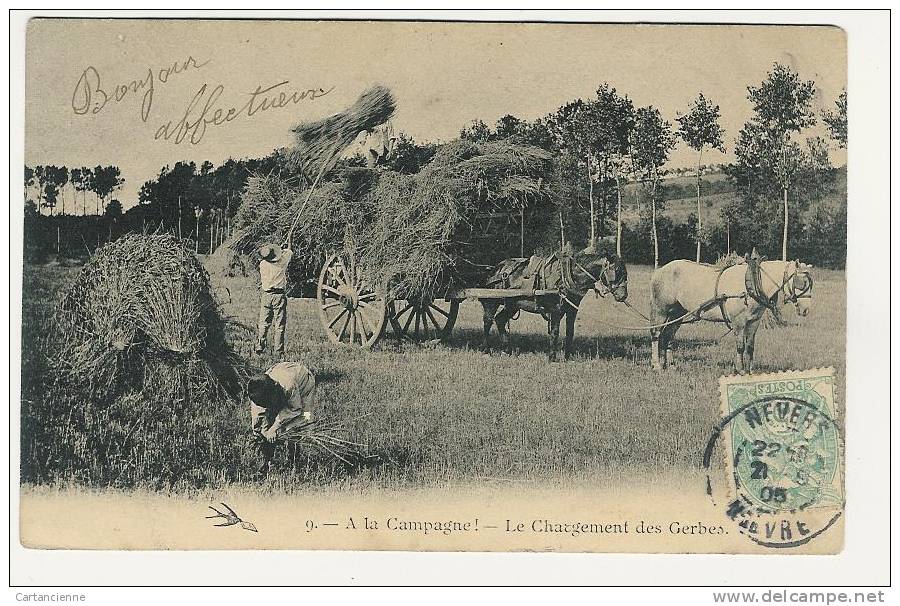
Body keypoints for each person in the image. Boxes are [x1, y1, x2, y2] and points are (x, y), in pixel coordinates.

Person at [247, 361, 318, 473]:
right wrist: (264, 434)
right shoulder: (258, 393)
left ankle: (295, 459)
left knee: (304, 420)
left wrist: (275, 427)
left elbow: (295, 408)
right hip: (282, 373)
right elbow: (258, 421)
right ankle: (268, 461)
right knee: (270, 422)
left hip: (303, 382)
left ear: (276, 388)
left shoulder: (288, 385)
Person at [255, 243, 293, 357]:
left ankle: (259, 346)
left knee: (264, 323)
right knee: (279, 324)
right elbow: (289, 252)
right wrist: (282, 249)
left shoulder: (262, 264)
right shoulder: (282, 263)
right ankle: (278, 350)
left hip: (266, 295)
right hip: (279, 296)